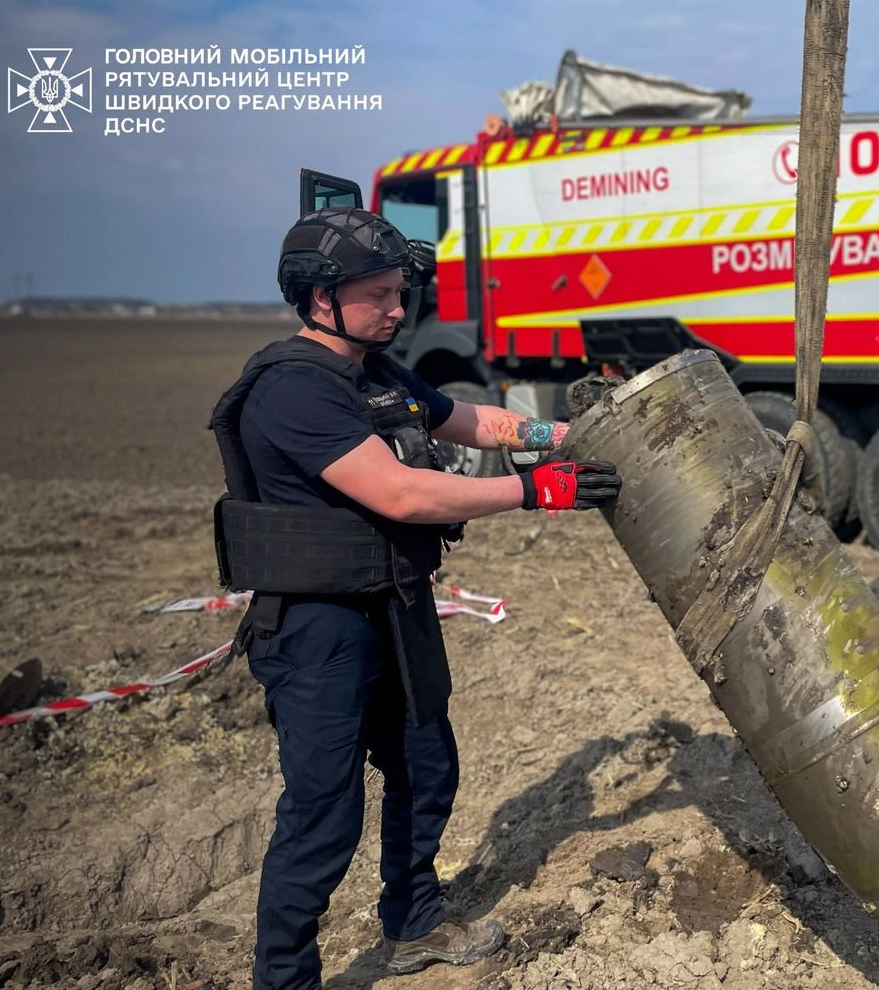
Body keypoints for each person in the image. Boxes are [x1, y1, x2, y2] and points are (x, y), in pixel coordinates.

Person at [207, 206, 621, 990]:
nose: (400, 309)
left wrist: (571, 437)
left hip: (394, 606)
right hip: (318, 629)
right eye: (381, 295)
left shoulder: (376, 372)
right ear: (319, 297)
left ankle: (415, 925)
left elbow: (474, 421)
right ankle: (284, 976)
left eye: (402, 292)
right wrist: (536, 494)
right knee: (323, 817)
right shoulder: (293, 390)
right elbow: (399, 494)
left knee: (427, 767)